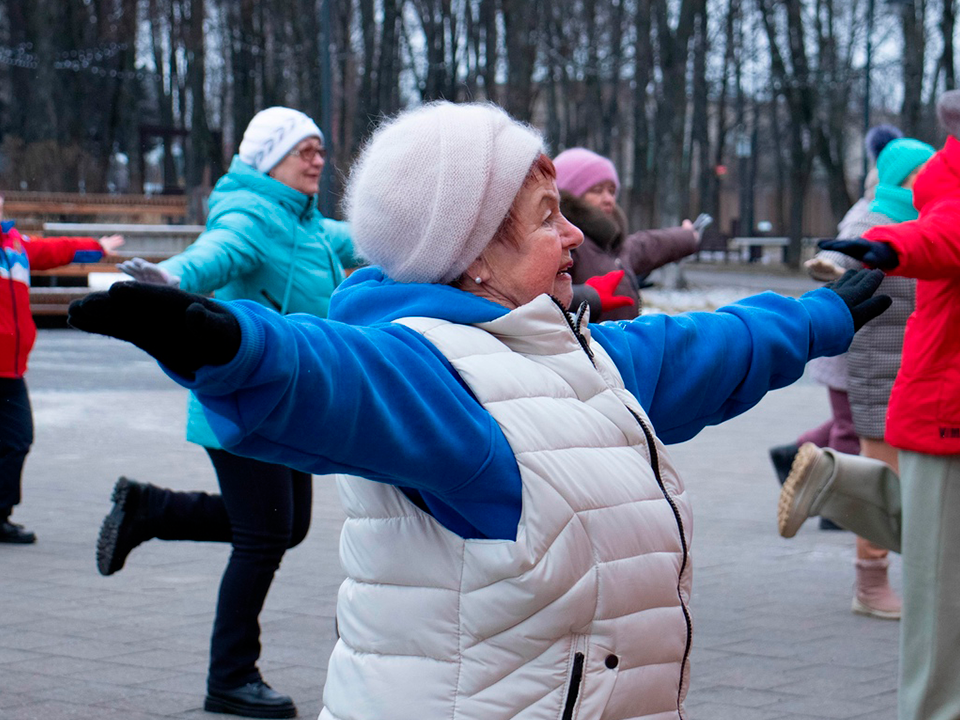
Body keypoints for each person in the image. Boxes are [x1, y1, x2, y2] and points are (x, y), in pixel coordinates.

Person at [67, 101, 889, 720]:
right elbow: (336, 376)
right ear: (471, 256)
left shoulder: (575, 354)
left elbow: (702, 347)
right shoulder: (443, 382)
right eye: (546, 218)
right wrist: (230, 344)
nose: (572, 235)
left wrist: (820, 317)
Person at [96, 107, 355, 718]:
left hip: (287, 403)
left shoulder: (309, 225)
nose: (318, 159)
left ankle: (149, 507)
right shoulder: (250, 214)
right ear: (270, 158)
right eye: (304, 150)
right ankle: (231, 677)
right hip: (244, 402)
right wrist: (170, 279)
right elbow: (215, 252)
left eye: (320, 149)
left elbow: (364, 238)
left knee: (285, 527)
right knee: (263, 536)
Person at [801, 89, 960, 720]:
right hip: (943, 409)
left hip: (922, 395)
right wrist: (888, 248)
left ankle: (835, 482)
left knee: (934, 542)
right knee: (938, 584)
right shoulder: (945, 185)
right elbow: (944, 234)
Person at [780, 137, 934, 620]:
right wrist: (829, 268)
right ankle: (869, 582)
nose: (928, 179)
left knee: (914, 478)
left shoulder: (929, 216)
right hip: (874, 362)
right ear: (903, 175)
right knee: (880, 471)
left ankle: (824, 475)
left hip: (918, 363)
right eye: (921, 172)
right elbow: (844, 260)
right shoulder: (875, 218)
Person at [0, 194, 123, 544]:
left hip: (11, 371)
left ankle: (0, 515)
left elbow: (55, 250)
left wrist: (96, 248)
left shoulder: (15, 245)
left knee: (17, 441)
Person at [552, 147, 700, 320]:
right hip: (586, 346)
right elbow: (543, 299)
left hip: (616, 346)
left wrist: (689, 236)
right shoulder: (565, 245)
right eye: (597, 190)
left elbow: (648, 245)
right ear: (570, 197)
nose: (608, 199)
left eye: (612, 191)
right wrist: (591, 296)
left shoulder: (611, 245)